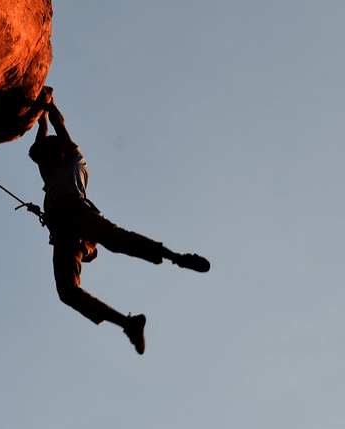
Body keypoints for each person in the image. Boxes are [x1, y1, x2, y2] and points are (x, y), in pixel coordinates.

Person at [29, 87, 210, 355]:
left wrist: (50, 104)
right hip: (64, 234)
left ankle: (177, 257)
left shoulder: (74, 161)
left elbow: (58, 125)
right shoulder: (51, 170)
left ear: (56, 153)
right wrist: (40, 115)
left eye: (44, 156)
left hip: (77, 214)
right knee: (67, 292)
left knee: (115, 239)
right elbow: (42, 137)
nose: (40, 162)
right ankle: (128, 323)